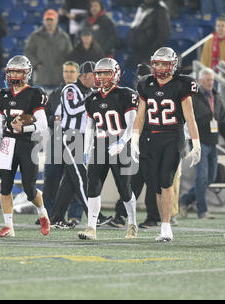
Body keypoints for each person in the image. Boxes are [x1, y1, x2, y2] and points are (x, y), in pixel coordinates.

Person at [132, 47, 201, 242]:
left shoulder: (182, 84)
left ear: (173, 65)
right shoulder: (146, 83)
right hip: (152, 137)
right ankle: (163, 223)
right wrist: (134, 140)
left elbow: (190, 116)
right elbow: (140, 115)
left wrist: (196, 143)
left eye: (164, 64)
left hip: (173, 136)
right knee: (155, 183)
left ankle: (166, 227)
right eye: (158, 63)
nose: (161, 67)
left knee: (166, 179)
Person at [78, 58, 138, 240]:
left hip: (120, 144)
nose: (102, 77)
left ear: (115, 74)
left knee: (125, 189)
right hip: (100, 144)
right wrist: (87, 149)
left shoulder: (126, 94)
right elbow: (89, 127)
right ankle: (91, 227)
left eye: (106, 73)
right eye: (99, 73)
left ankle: (132, 224)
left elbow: (132, 124)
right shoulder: (92, 98)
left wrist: (122, 143)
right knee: (93, 187)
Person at [0, 55, 50, 238]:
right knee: (5, 186)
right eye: (12, 71)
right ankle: (8, 226)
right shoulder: (3, 95)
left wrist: (24, 127)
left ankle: (43, 213)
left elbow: (43, 124)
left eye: (18, 71)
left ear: (26, 73)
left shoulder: (35, 93)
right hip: (8, 143)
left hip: (27, 144)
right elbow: (0, 119)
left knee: (29, 189)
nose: (14, 74)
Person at [50, 61, 112, 229]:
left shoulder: (91, 92)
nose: (97, 79)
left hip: (85, 139)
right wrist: (89, 99)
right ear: (84, 76)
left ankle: (56, 218)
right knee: (82, 177)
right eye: (95, 76)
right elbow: (71, 110)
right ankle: (95, 216)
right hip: (71, 137)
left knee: (69, 183)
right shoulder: (70, 89)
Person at [109, 63, 159, 229]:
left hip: (151, 142)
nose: (141, 79)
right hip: (136, 142)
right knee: (131, 181)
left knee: (151, 182)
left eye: (143, 76)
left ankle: (152, 217)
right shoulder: (131, 95)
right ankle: (121, 214)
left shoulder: (154, 94)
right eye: (139, 76)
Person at [179, 67, 225, 219]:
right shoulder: (194, 97)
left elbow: (221, 121)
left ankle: (185, 200)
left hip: (213, 143)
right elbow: (189, 119)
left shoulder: (217, 97)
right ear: (200, 81)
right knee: (201, 178)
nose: (210, 83)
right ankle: (202, 211)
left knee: (211, 177)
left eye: (212, 80)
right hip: (199, 142)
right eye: (207, 80)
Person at [43, 60, 83, 225]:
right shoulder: (55, 94)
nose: (68, 74)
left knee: (74, 179)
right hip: (57, 138)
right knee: (51, 177)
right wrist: (55, 119)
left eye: (72, 71)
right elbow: (46, 117)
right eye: (66, 71)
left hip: (76, 139)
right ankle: (49, 215)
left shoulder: (84, 93)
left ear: (78, 74)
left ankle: (74, 216)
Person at [24, 9, 73, 88]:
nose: (49, 22)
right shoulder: (35, 36)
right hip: (41, 78)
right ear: (44, 21)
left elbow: (70, 55)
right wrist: (36, 64)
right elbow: (28, 52)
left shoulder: (64, 37)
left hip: (59, 78)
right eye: (47, 20)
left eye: (51, 20)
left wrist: (64, 67)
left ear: (56, 21)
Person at [128, 0, 171, 66]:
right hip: (138, 50)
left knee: (148, 74)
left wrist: (153, 48)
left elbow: (164, 33)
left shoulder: (160, 9)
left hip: (149, 52)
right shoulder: (141, 7)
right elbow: (136, 26)